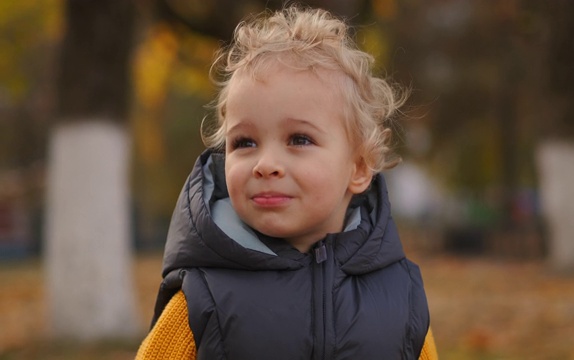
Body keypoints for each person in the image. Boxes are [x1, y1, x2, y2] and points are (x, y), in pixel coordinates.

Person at [136, 5, 437, 359]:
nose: (266, 165)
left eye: (299, 139)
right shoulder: (203, 299)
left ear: (358, 168)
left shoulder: (400, 299)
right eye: (244, 143)